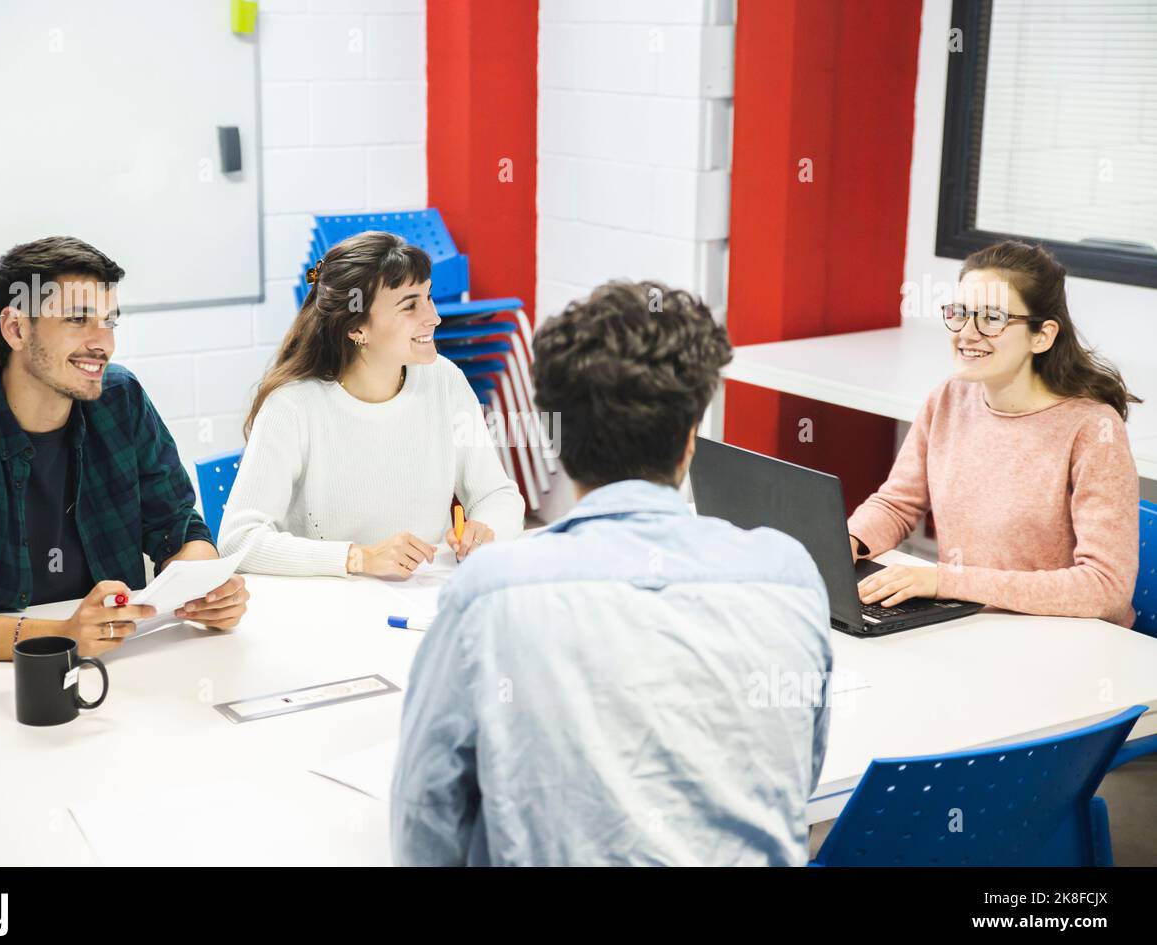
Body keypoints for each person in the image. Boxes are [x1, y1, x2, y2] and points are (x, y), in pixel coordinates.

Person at [391, 280, 833, 866]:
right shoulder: (788, 576)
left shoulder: (489, 594)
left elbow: (426, 820)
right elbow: (797, 779)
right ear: (690, 439)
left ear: (556, 441)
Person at [0, 236, 249, 661]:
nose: (104, 344)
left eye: (110, 321)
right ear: (16, 329)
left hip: (116, 667)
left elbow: (177, 525)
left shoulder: (121, 399)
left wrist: (203, 587)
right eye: (79, 320)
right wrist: (60, 636)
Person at [850, 240, 1140, 626]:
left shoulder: (1093, 429)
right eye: (960, 314)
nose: (967, 333)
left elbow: (1105, 588)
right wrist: (844, 544)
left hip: (1064, 639)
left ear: (1043, 336)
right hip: (971, 623)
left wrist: (946, 581)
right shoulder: (949, 399)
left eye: (991, 318)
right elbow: (896, 504)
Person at [217, 231, 524, 578]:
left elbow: (498, 494)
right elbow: (237, 541)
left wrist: (486, 527)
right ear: (356, 328)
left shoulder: (445, 380)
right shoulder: (292, 406)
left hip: (421, 601)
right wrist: (357, 558)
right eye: (410, 305)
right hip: (326, 610)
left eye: (429, 297)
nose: (434, 317)